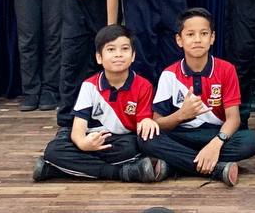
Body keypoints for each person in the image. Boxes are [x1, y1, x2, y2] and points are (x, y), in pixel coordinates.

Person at [142, 7, 255, 185]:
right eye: (190, 34)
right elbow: (157, 123)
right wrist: (181, 115)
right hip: (181, 136)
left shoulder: (226, 69)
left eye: (204, 34)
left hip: (214, 134)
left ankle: (176, 164)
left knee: (250, 141)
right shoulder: (169, 74)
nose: (197, 39)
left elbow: (233, 119)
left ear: (212, 38)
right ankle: (216, 169)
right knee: (146, 138)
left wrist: (216, 143)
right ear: (179, 40)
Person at [34, 24, 164, 183]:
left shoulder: (144, 86)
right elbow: (78, 129)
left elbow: (142, 125)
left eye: (124, 49)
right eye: (111, 49)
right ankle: (120, 172)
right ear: (99, 57)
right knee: (53, 150)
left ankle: (57, 169)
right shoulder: (89, 85)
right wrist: (83, 144)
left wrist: (147, 121)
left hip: (119, 142)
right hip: (90, 137)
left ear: (133, 55)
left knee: (133, 148)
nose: (118, 54)